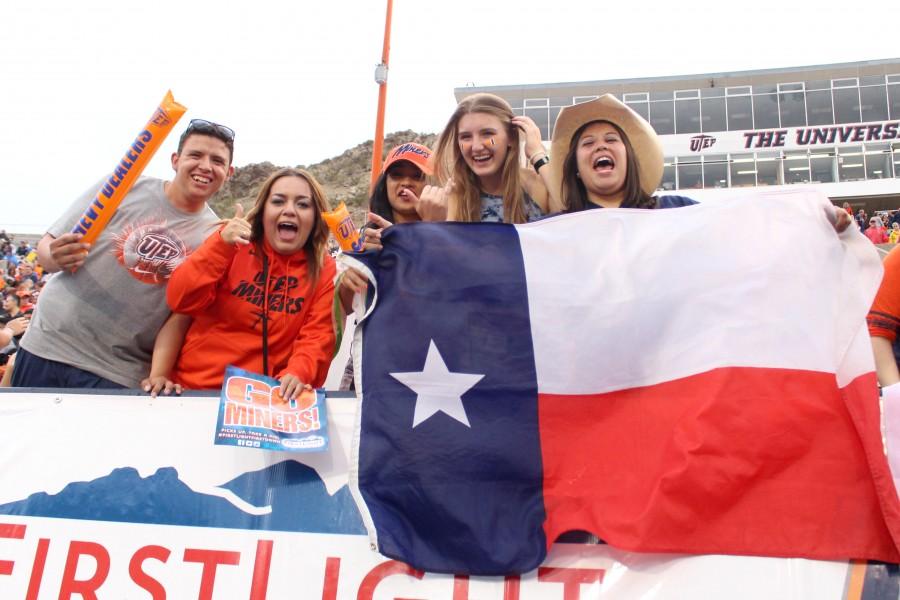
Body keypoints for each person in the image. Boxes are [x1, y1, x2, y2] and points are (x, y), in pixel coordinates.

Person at [12, 119, 235, 389]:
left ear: (229, 172)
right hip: (48, 344)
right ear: (175, 160)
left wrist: (158, 374)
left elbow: (180, 316)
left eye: (217, 161)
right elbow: (49, 247)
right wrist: (53, 257)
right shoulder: (124, 187)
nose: (205, 166)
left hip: (117, 371)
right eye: (195, 155)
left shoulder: (214, 236)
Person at [143, 168, 336, 400]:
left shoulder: (324, 268)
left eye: (303, 205)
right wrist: (220, 246)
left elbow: (318, 335)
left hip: (261, 403)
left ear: (316, 217)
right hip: (194, 393)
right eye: (278, 201)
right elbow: (181, 301)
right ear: (263, 212)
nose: (289, 210)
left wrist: (298, 372)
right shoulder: (231, 244)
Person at [424, 92, 563, 224]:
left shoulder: (535, 185)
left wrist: (537, 154)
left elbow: (571, 215)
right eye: (466, 137)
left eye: (487, 134)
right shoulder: (454, 196)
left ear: (511, 138)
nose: (476, 147)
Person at [548, 94, 697, 212]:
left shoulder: (678, 210)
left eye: (611, 140)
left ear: (629, 159)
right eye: (588, 143)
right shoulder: (556, 232)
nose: (601, 146)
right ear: (576, 169)